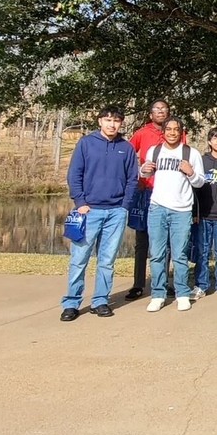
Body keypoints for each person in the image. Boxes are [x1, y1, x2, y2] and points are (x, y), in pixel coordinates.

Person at [60, 106, 139, 321]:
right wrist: (80, 202)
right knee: (79, 259)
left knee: (107, 260)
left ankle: (100, 301)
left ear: (121, 123)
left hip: (115, 212)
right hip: (89, 211)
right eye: (108, 120)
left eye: (116, 121)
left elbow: (133, 179)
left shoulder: (126, 147)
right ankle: (72, 303)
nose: (112, 124)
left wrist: (124, 206)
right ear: (100, 121)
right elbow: (74, 174)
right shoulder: (86, 144)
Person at [139, 117, 206, 312]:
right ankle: (158, 294)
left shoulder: (191, 153)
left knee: (180, 254)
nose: (172, 133)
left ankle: (182, 294)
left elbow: (200, 182)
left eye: (176, 129)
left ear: (182, 132)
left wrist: (190, 172)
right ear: (164, 132)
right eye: (168, 129)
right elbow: (146, 174)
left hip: (182, 210)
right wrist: (143, 170)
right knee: (157, 254)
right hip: (157, 208)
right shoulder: (155, 151)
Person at [126, 99, 184, 301]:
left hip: (171, 194)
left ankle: (165, 283)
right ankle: (139, 284)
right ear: (151, 114)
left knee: (167, 242)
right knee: (143, 242)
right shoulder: (143, 133)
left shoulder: (177, 133)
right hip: (147, 193)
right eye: (156, 109)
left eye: (164, 109)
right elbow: (126, 153)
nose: (160, 111)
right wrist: (137, 177)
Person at [189, 127, 217, 300]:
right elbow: (194, 187)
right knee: (202, 251)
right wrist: (194, 211)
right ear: (209, 141)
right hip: (204, 214)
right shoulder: (201, 160)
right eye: (215, 138)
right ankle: (201, 285)